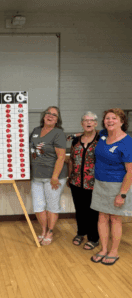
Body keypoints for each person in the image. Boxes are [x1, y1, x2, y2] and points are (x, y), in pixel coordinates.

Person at [90, 108, 132, 265]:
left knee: (115, 218)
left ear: (122, 121)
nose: (110, 121)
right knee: (102, 217)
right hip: (100, 183)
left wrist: (122, 194)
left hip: (117, 185)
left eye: (114, 118)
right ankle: (104, 249)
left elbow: (130, 171)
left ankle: (114, 251)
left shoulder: (127, 142)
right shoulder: (102, 136)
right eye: (107, 118)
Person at [30, 106, 67, 245]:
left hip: (53, 177)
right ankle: (43, 230)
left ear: (57, 120)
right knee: (38, 206)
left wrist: (55, 176)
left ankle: (50, 232)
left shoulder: (58, 133)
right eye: (48, 113)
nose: (50, 116)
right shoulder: (35, 131)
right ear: (44, 116)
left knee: (52, 206)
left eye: (54, 115)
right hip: (37, 177)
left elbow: (61, 157)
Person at [68, 111, 100, 250]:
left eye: (91, 120)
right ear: (81, 124)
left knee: (93, 211)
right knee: (80, 209)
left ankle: (94, 238)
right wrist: (70, 177)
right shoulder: (76, 140)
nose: (88, 122)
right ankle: (81, 233)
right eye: (85, 120)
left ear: (95, 123)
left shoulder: (101, 139)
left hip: (94, 182)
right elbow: (71, 160)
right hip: (76, 182)